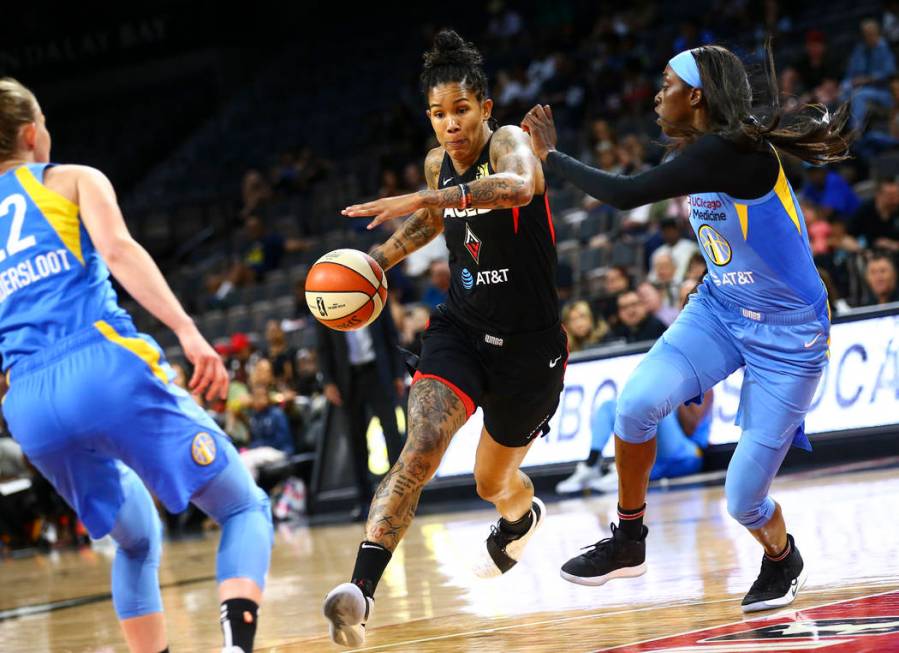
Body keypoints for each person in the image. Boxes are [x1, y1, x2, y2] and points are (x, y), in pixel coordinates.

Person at [524, 41, 851, 613]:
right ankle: (629, 537)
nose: (657, 95)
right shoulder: (707, 151)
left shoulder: (729, 152)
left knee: (743, 500)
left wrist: (550, 156)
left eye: (667, 84)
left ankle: (782, 557)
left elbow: (626, 196)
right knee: (635, 405)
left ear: (696, 95)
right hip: (721, 309)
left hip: (790, 335)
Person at [0, 78, 273, 653]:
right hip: (99, 365)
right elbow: (120, 251)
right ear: (30, 133)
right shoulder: (71, 179)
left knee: (135, 541)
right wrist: (188, 332)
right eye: (44, 121)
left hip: (26, 401)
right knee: (243, 504)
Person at [322, 31, 567, 646]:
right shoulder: (437, 164)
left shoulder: (508, 142)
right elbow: (432, 219)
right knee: (421, 445)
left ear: (484, 107)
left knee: (492, 484)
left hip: (531, 347)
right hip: (461, 326)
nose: (450, 125)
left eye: (461, 110)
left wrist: (433, 194)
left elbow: (516, 187)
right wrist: (377, 260)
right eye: (438, 114)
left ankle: (519, 517)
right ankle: (361, 590)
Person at [315, 310, 406, 520]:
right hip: (348, 378)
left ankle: (400, 497)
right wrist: (328, 382)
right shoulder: (328, 305)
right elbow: (323, 348)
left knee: (392, 434)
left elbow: (391, 336)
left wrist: (398, 373)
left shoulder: (373, 295)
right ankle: (364, 501)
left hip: (378, 373)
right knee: (356, 440)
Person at [556, 389, 713, 494]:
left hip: (687, 455)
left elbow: (690, 427)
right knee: (609, 406)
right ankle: (592, 465)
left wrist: (677, 394)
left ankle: (626, 468)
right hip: (655, 463)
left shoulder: (703, 387)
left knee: (653, 401)